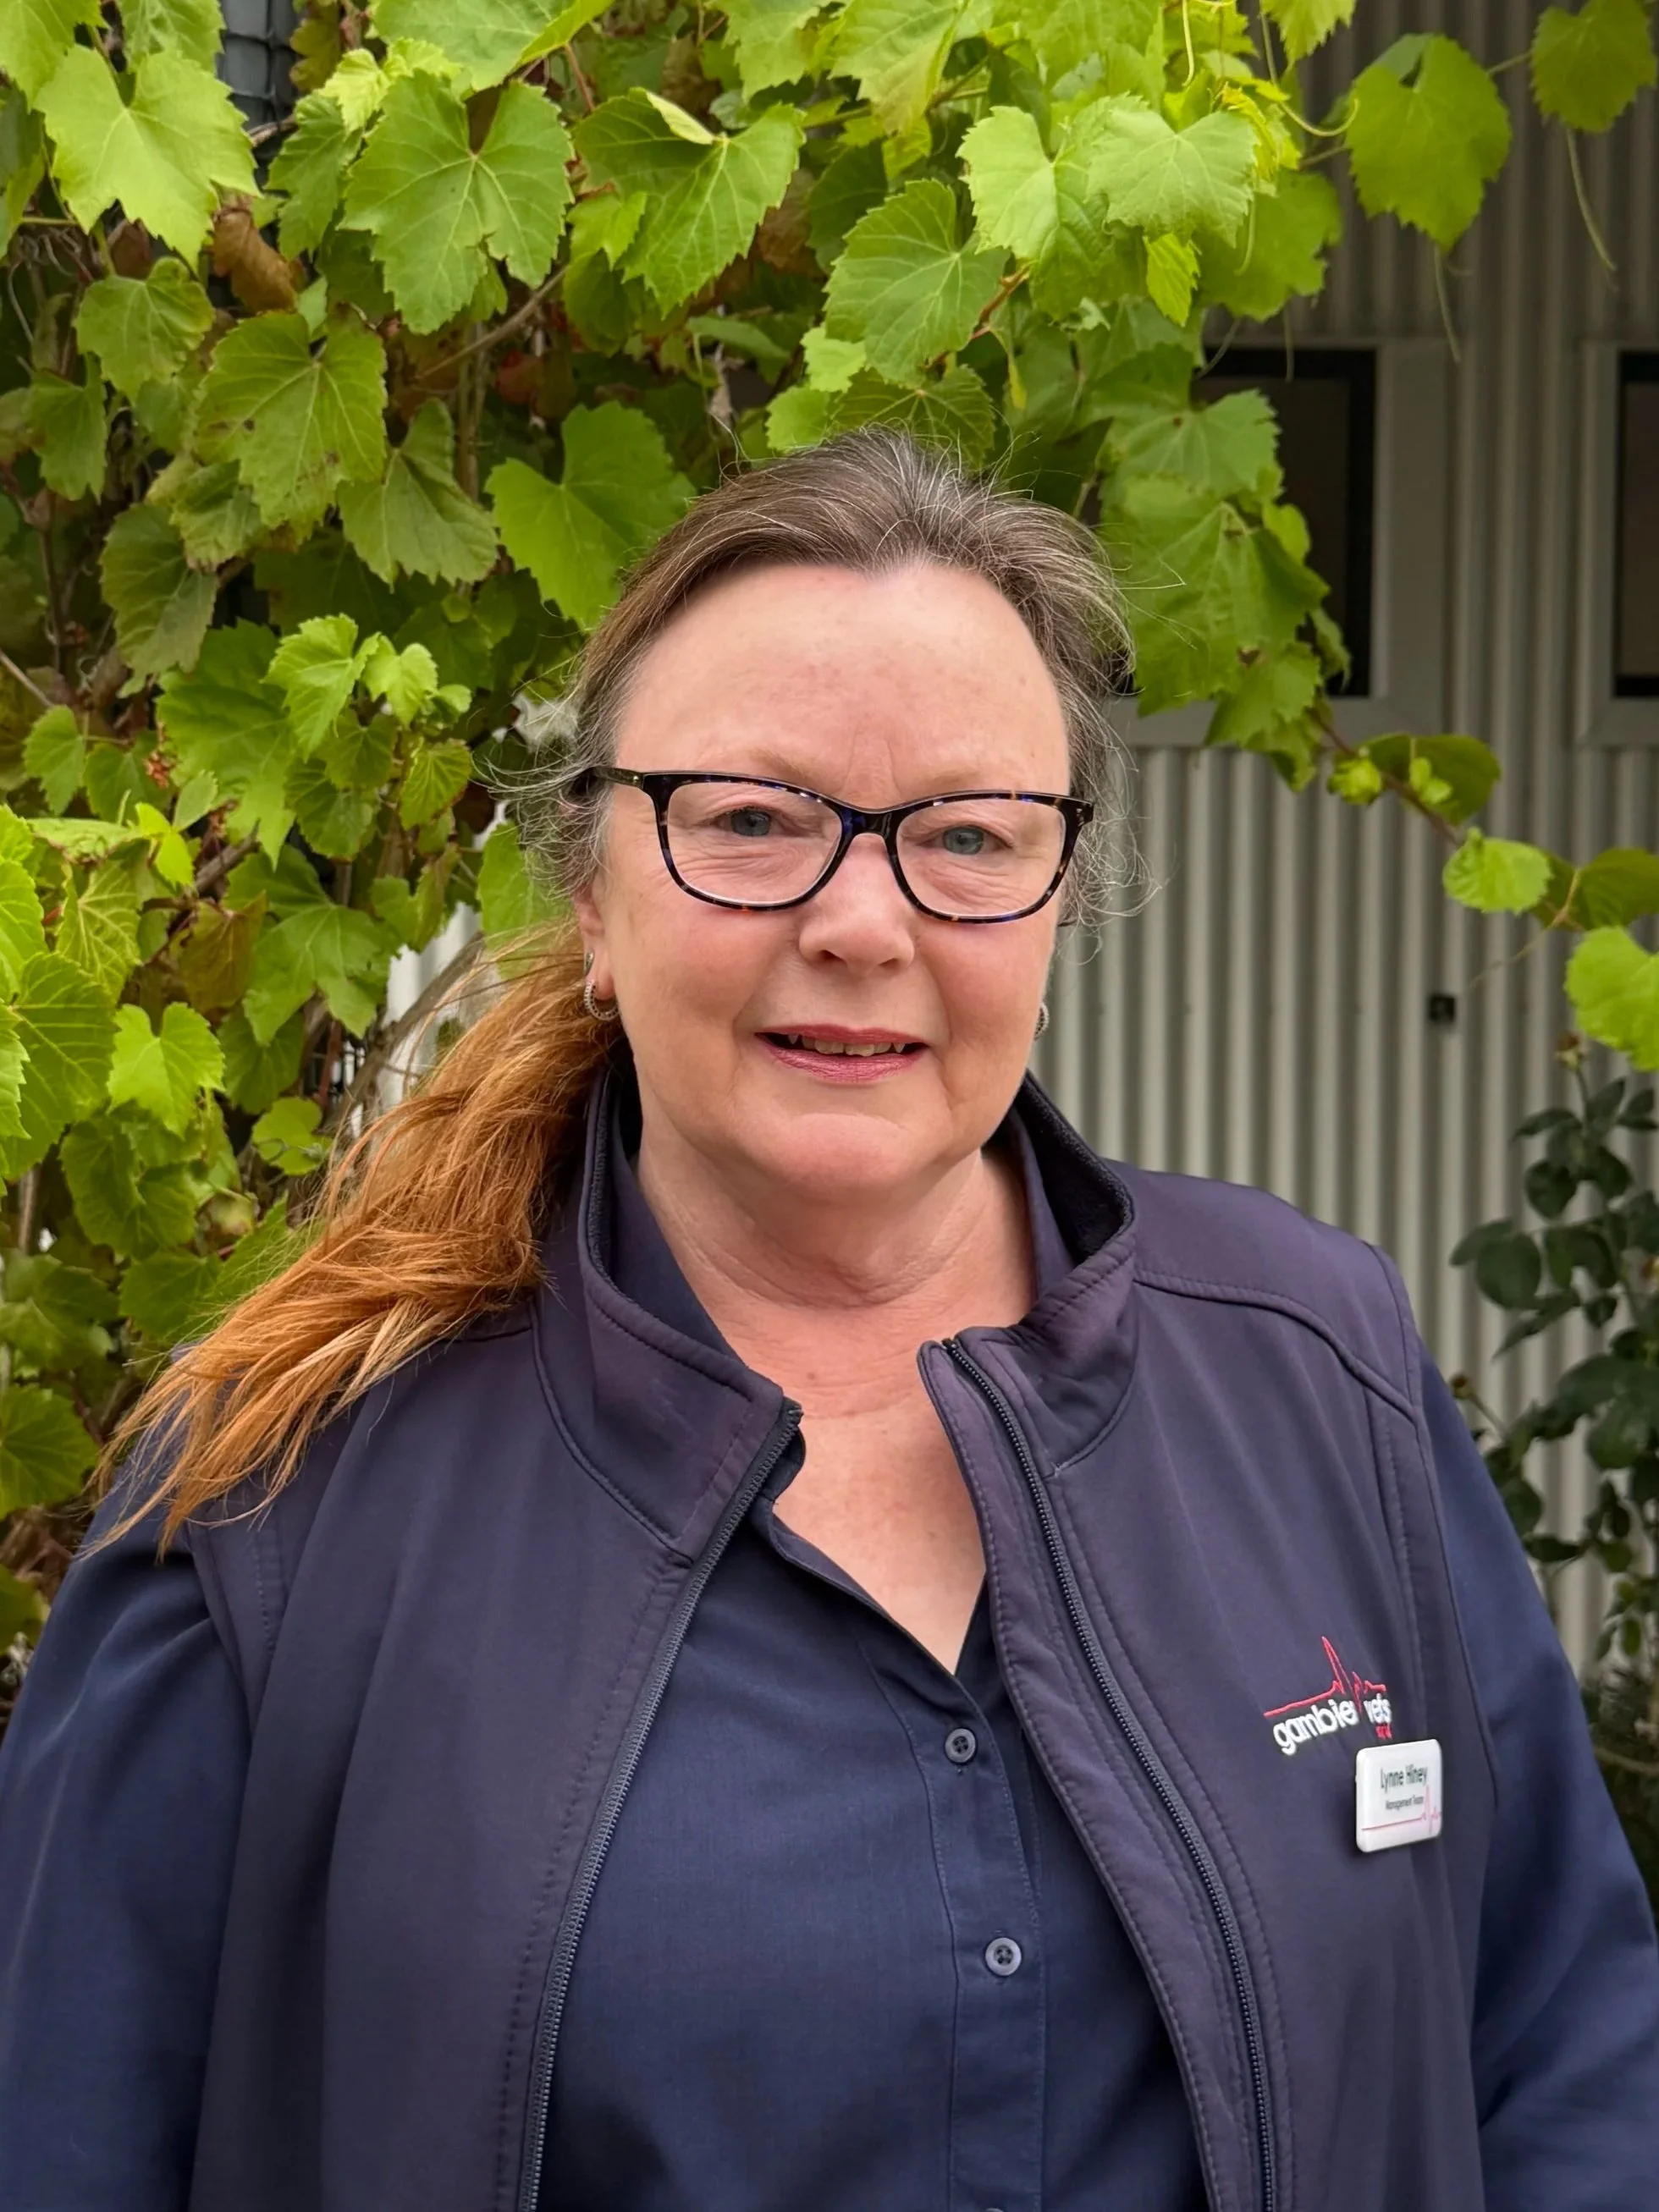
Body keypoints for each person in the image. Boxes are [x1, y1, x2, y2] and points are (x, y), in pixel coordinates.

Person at [0, 431, 1655, 2212]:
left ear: (1053, 901)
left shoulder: (1314, 1370)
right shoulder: (280, 1495)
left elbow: (1565, 2049)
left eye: (962, 835)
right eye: (750, 822)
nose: (859, 920)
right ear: (594, 897)